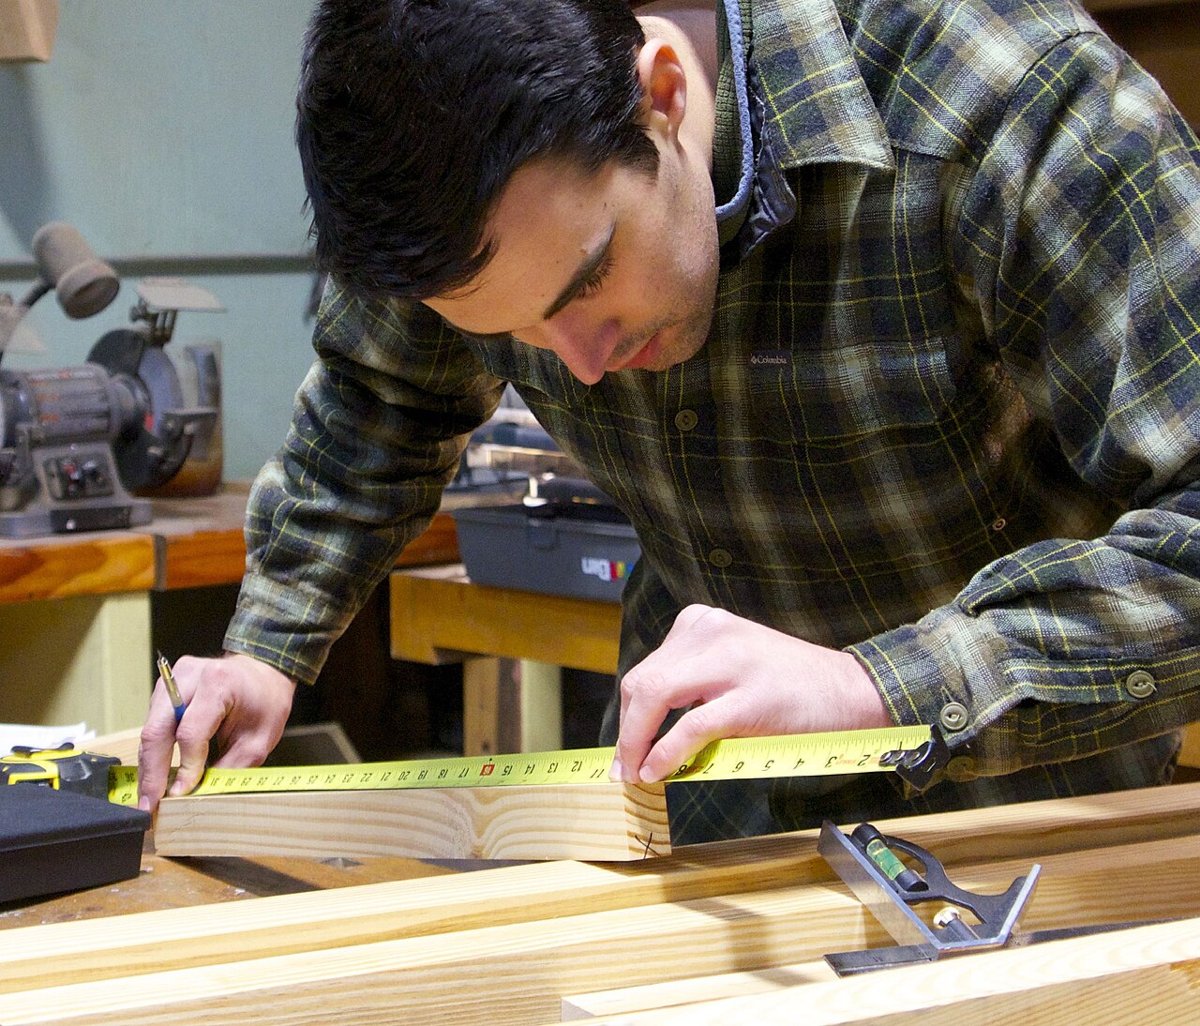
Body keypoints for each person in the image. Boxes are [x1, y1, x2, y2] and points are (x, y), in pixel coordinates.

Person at [138, 0, 1200, 843]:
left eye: (587, 284)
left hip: (1032, 822)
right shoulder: (463, 184)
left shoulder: (1007, 100)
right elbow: (383, 395)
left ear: (661, 92)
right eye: (515, 335)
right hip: (687, 812)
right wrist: (267, 649)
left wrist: (877, 687)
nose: (581, 366)